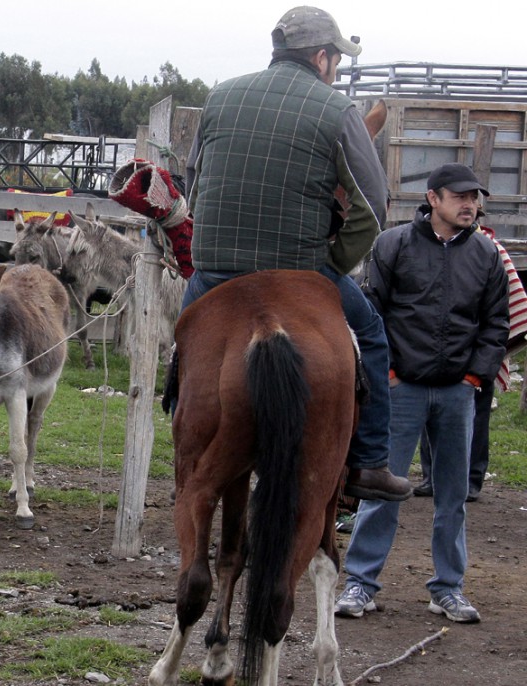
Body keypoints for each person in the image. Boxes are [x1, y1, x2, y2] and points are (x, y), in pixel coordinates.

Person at [181, 6, 411, 500]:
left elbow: (193, 184)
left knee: (187, 338)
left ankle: (182, 412)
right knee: (370, 333)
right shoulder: (337, 110)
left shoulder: (219, 97)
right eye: (338, 62)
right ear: (323, 58)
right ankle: (369, 461)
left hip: (215, 271)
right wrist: (332, 268)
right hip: (298, 272)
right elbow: (373, 206)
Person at [335, 163, 509, 624]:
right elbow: (372, 313)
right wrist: (387, 373)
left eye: (474, 197)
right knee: (381, 490)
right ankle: (360, 584)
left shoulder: (488, 255)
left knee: (452, 496)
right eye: (460, 196)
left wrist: (475, 379)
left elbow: (496, 325)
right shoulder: (392, 244)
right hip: (401, 390)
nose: (470, 204)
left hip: (458, 393)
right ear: (434, 198)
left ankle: (448, 588)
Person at [415, 211, 527, 502]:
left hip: (474, 349)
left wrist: (485, 357)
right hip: (430, 349)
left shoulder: (490, 249)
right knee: (429, 414)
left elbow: (503, 308)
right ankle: (431, 476)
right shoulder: (426, 247)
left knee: (475, 416)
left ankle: (471, 479)